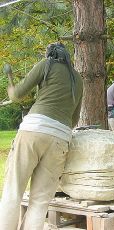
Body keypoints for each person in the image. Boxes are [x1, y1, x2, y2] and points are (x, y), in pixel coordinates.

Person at [0, 42, 83, 230]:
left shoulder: (46, 65)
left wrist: (11, 86)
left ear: (50, 54)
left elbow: (17, 95)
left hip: (33, 130)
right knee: (40, 201)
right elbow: (75, 118)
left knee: (13, 191)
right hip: (60, 138)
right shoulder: (77, 79)